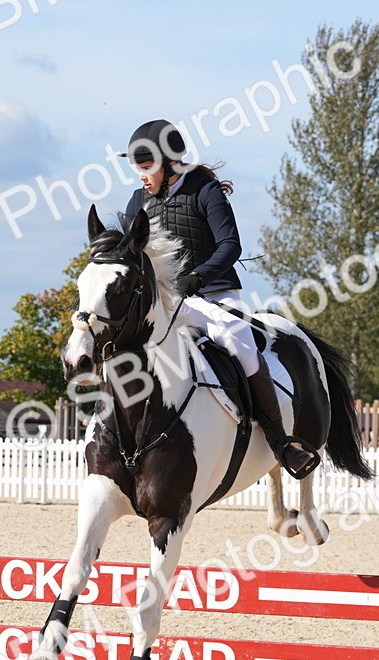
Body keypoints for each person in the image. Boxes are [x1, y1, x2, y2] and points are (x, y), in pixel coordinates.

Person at [119, 119, 317, 477]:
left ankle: (280, 441)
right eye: (138, 168)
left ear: (170, 163)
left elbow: (230, 246)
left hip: (214, 294)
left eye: (146, 168)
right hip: (166, 303)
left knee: (238, 341)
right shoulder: (138, 201)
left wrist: (197, 278)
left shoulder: (204, 191)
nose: (140, 176)